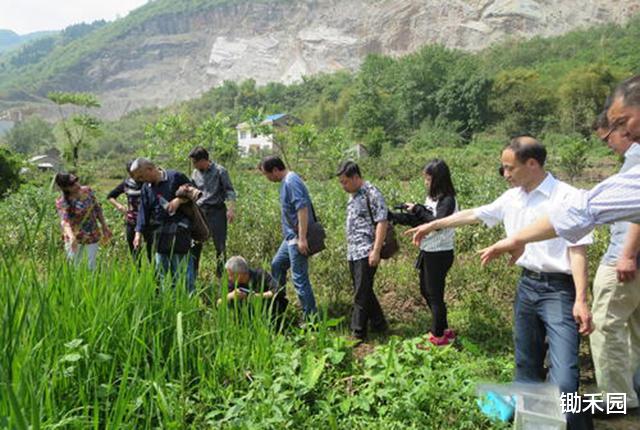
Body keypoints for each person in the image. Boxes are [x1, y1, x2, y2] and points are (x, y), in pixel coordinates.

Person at [406, 137, 593, 429]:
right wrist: (434, 224)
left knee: (565, 377)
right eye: (502, 168)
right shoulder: (513, 197)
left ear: (532, 164)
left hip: (559, 290)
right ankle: (532, 423)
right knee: (526, 364)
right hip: (527, 285)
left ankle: (577, 423)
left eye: (509, 168)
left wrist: (581, 298)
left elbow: (577, 249)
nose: (505, 174)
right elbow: (474, 214)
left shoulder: (567, 196)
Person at [588, 109, 640, 412]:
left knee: (606, 326)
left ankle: (617, 399)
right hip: (630, 257)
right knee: (633, 329)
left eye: (608, 139)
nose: (609, 145)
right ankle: (632, 389)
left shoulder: (636, 158)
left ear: (624, 127)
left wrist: (627, 254)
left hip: (623, 259)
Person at [390, 159, 458, 346]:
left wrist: (418, 208)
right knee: (426, 290)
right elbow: (422, 221)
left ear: (438, 179)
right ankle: (444, 329)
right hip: (428, 251)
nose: (426, 182)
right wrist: (397, 217)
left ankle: (438, 336)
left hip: (440, 253)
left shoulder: (448, 200)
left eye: (428, 179)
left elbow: (437, 224)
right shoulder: (433, 198)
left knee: (434, 294)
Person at [258, 155, 318, 319]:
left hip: (297, 238)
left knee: (299, 278)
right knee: (277, 264)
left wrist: (302, 238)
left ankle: (311, 319)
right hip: (290, 238)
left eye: (266, 174)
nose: (267, 178)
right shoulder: (286, 182)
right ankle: (278, 305)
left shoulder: (291, 181)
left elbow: (302, 209)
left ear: (275, 170)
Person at [337, 161, 388, 342]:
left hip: (366, 250)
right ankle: (379, 324)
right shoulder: (352, 195)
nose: (343, 186)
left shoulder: (371, 193)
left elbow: (382, 222)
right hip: (353, 251)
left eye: (345, 182)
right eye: (341, 182)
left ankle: (358, 332)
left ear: (356, 177)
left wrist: (376, 250)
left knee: (360, 292)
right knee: (363, 288)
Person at [130, 157, 196, 294]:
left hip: (179, 232)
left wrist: (179, 200)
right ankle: (167, 300)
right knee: (161, 272)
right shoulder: (146, 187)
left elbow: (194, 192)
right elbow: (143, 210)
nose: (141, 180)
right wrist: (138, 233)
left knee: (183, 271)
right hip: (159, 234)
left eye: (141, 176)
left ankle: (188, 299)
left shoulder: (175, 176)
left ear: (150, 169)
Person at [188, 146, 237, 278]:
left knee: (220, 245)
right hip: (200, 212)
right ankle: (193, 274)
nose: (194, 165)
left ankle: (221, 275)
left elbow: (230, 191)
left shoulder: (220, 171)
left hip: (216, 211)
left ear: (203, 160)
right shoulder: (195, 173)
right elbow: (192, 191)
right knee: (195, 244)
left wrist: (231, 209)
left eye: (195, 162)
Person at [55, 172, 111, 270]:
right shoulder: (62, 201)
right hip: (74, 237)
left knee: (91, 266)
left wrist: (104, 226)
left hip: (92, 234)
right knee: (74, 267)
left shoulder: (87, 191)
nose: (77, 184)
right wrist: (72, 238)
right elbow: (65, 221)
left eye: (76, 180)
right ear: (65, 188)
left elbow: (97, 209)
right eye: (72, 184)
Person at [107, 160, 153, 262]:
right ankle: (137, 270)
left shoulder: (148, 183)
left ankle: (153, 271)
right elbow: (110, 196)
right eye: (133, 174)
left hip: (149, 221)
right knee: (134, 251)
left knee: (151, 251)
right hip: (132, 221)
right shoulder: (127, 183)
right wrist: (120, 206)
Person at [219, 256, 288, 318]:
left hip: (267, 311)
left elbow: (279, 290)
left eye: (230, 275)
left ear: (239, 274)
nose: (229, 277)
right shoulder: (230, 282)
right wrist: (230, 296)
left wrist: (257, 296)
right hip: (245, 315)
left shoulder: (260, 275)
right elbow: (218, 303)